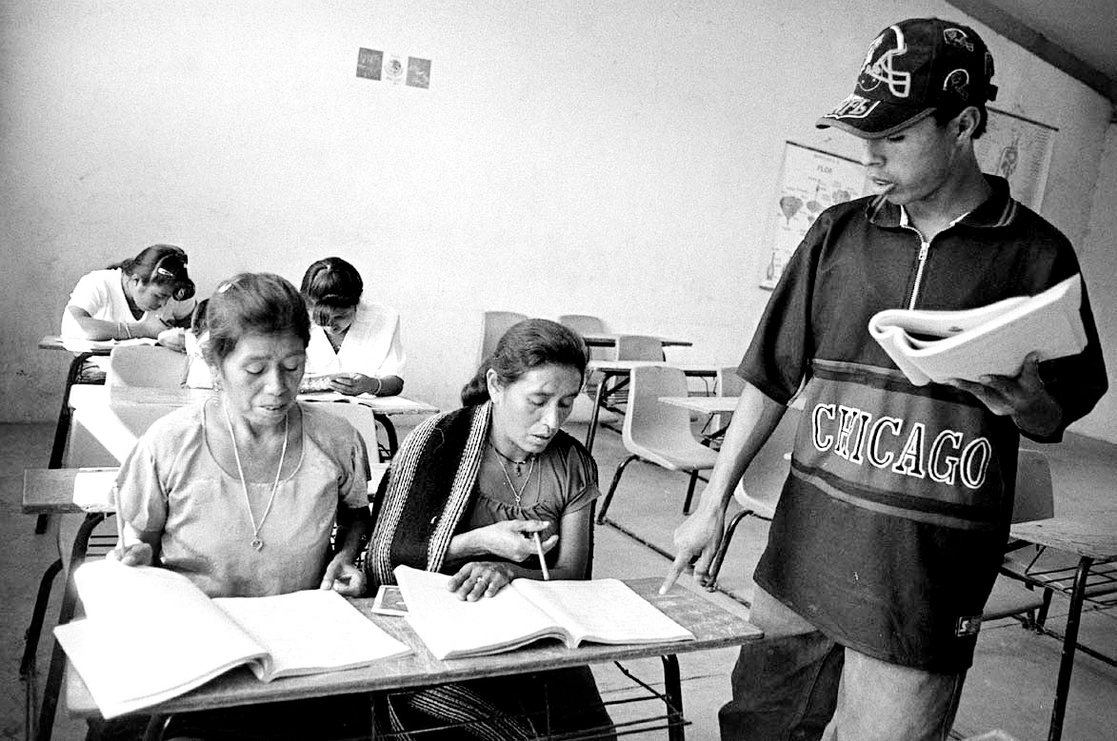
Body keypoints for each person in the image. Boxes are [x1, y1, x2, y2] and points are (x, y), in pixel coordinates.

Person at [662, 18, 1107, 741]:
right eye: (864, 133)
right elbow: (770, 378)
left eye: (894, 136)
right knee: (759, 727)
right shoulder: (835, 234)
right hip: (803, 556)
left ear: (963, 125)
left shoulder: (1036, 256)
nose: (870, 155)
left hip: (921, 583)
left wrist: (1023, 399)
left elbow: (1056, 407)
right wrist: (711, 502)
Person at [109, 272, 373, 740]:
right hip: (201, 656)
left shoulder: (335, 440)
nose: (277, 386)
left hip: (305, 654)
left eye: (293, 366)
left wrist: (346, 556)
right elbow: (140, 539)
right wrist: (138, 560)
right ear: (216, 365)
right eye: (255, 370)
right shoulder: (170, 444)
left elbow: (356, 513)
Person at [365, 318, 615, 739]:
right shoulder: (437, 442)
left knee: (588, 734)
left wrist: (510, 571)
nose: (552, 421)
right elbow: (383, 557)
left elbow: (573, 577)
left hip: (535, 633)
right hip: (445, 633)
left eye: (567, 404)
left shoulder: (572, 464)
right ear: (497, 385)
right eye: (538, 400)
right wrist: (476, 544)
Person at [299, 256, 404, 397]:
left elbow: (396, 381)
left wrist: (371, 385)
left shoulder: (383, 319)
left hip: (364, 412)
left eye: (340, 317)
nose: (330, 327)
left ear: (356, 304)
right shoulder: (295, 318)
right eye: (321, 319)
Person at [61, 243, 196, 349]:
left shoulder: (175, 293)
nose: (163, 304)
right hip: (99, 372)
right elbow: (74, 326)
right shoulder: (97, 283)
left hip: (157, 373)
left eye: (169, 297)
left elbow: (199, 330)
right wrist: (143, 329)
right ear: (136, 281)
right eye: (158, 296)